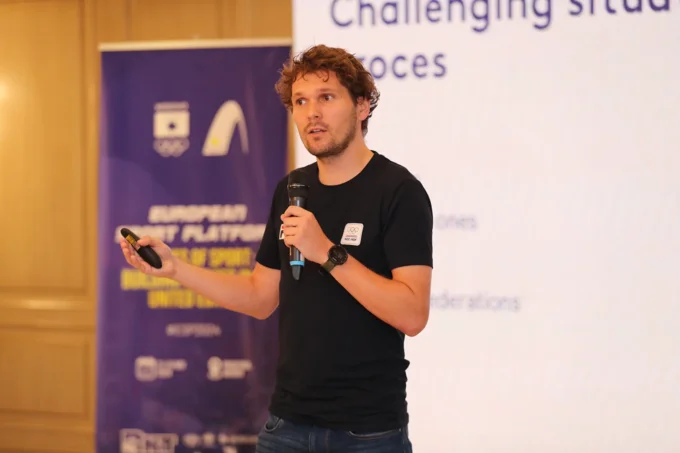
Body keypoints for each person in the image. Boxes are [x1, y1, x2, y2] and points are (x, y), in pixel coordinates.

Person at [120, 44, 434, 453]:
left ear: (361, 106)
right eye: (300, 101)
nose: (312, 113)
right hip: (288, 425)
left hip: (367, 432)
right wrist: (176, 268)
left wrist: (327, 252)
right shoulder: (292, 189)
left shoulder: (398, 191)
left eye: (326, 97)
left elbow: (412, 314)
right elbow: (259, 297)